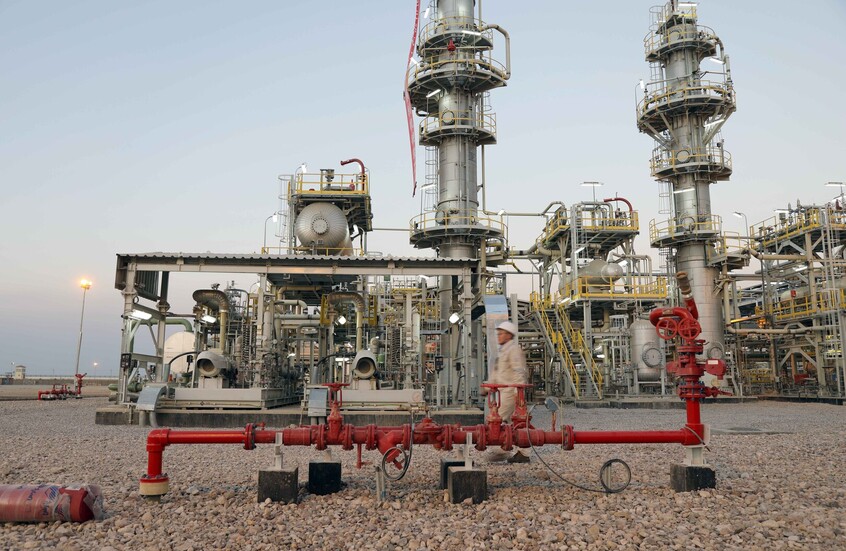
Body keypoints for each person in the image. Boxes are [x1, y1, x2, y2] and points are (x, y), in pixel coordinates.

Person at [485, 320, 530, 464]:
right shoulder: (503, 351)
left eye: (501, 334)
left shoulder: (514, 350)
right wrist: (487, 388)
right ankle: (522, 453)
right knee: (515, 423)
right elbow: (498, 372)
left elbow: (519, 371)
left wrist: (518, 392)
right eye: (498, 333)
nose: (498, 336)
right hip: (503, 391)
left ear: (509, 335)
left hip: (511, 391)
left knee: (498, 419)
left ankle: (501, 451)